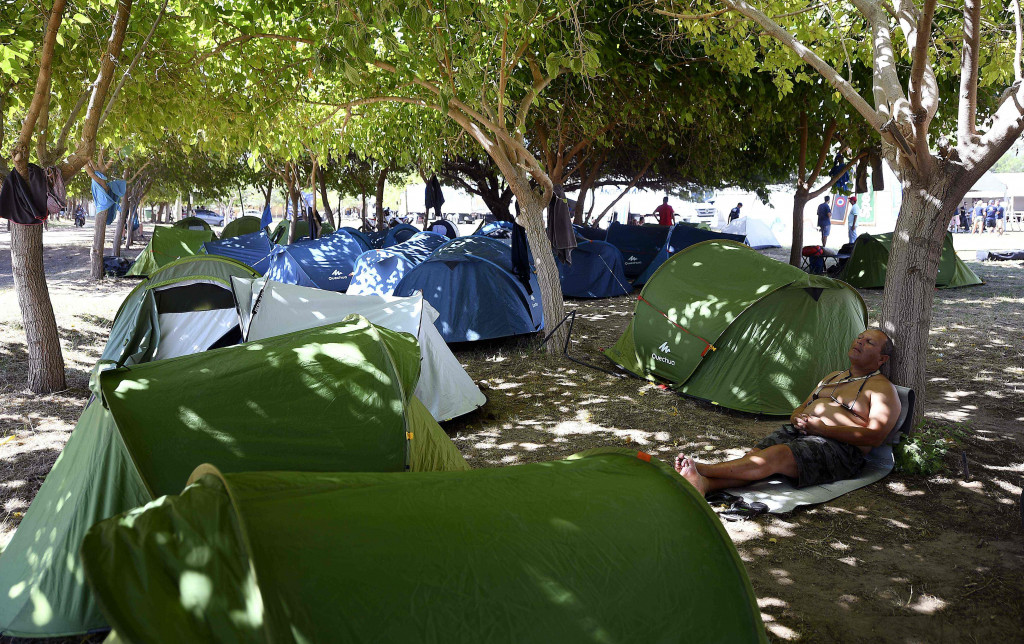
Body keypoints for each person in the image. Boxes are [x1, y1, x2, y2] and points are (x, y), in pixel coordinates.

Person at [675, 329, 901, 497]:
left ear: (882, 359)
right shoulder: (833, 376)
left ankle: (701, 468)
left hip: (839, 450)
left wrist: (823, 429)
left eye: (869, 342)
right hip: (802, 432)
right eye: (860, 337)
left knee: (775, 457)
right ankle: (704, 485)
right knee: (755, 458)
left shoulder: (881, 388)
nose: (860, 341)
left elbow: (875, 436)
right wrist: (798, 419)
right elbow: (801, 407)